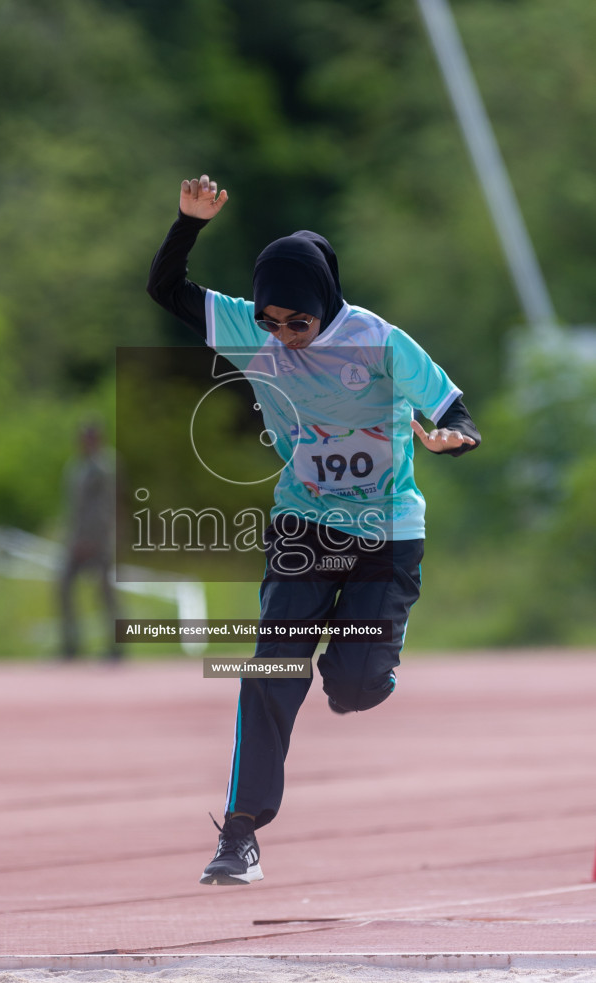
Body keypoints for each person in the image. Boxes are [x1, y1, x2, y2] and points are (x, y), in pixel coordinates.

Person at [147, 174, 481, 886]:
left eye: (296, 324)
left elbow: (455, 409)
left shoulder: (381, 343)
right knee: (269, 671)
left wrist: (451, 438)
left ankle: (370, 673)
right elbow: (165, 288)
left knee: (352, 688)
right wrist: (188, 223)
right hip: (302, 527)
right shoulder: (249, 328)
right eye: (270, 324)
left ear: (324, 307)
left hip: (384, 536)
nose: (282, 338)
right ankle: (239, 835)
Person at [58, 419, 120, 660]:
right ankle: (71, 643)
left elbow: (105, 507)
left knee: (106, 592)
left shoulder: (104, 466)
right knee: (63, 586)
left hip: (99, 539)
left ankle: (116, 647)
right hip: (76, 538)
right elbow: (75, 508)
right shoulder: (76, 467)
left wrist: (94, 539)